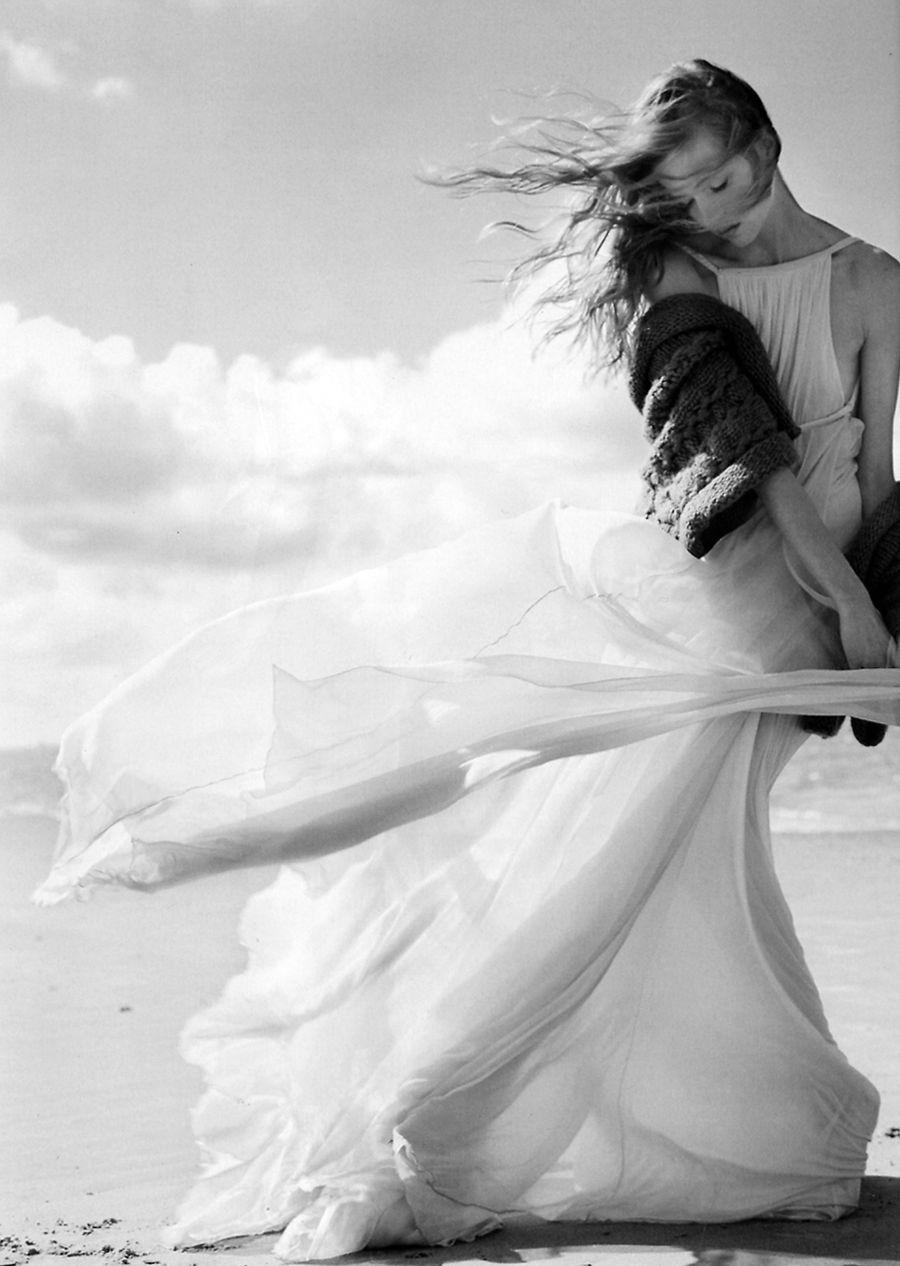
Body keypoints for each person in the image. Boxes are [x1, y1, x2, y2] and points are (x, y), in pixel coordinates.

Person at [37, 59, 900, 1262]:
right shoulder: (682, 271)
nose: (707, 208)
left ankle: (734, 1123)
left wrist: (874, 614)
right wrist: (843, 602)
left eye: (719, 180)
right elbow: (751, 456)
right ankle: (440, 1122)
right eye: (682, 191)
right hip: (728, 603)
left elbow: (877, 468)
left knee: (674, 867)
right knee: (621, 864)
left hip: (812, 613)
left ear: (767, 142)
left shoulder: (875, 280)